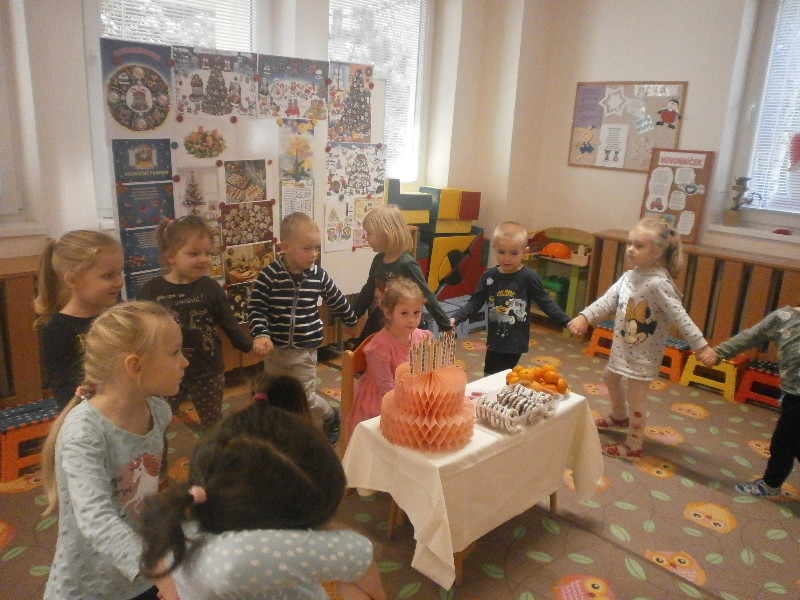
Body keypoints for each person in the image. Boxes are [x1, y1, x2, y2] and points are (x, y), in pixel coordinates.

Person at [138, 399, 387, 600]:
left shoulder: (195, 514)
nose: (321, 535)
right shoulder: (226, 562)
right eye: (314, 531)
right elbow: (357, 553)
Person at [41, 301, 187, 600]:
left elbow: (148, 489)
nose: (184, 362)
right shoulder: (84, 433)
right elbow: (95, 518)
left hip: (142, 571)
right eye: (175, 353)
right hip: (91, 586)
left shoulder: (158, 410)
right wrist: (158, 572)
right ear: (135, 366)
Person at [567, 217, 717, 460]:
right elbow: (607, 301)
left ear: (656, 252)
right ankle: (619, 417)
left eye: (638, 246)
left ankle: (634, 444)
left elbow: (680, 317)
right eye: (629, 244)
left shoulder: (659, 284)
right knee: (609, 377)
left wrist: (701, 346)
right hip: (623, 348)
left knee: (636, 397)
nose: (630, 249)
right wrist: (585, 317)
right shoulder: (629, 277)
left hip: (644, 355)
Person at [139, 216, 269, 428]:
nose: (204, 259)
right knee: (158, 422)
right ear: (171, 256)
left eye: (208, 253)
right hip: (166, 370)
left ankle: (214, 449)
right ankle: (157, 451)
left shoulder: (210, 288)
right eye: (194, 253)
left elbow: (229, 324)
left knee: (213, 421)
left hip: (208, 371)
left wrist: (250, 346)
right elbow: (140, 331)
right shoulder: (152, 291)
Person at [247, 212, 358, 444]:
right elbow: (256, 308)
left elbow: (336, 299)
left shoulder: (318, 275)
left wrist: (350, 321)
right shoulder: (269, 275)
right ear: (286, 247)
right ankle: (281, 429)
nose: (314, 254)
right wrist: (261, 334)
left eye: (316, 248)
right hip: (274, 350)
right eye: (307, 248)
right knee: (274, 393)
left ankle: (330, 415)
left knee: (304, 398)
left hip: (304, 351)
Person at [450, 221, 571, 376]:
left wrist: (566, 321)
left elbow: (545, 302)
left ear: (524, 252)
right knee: (489, 374)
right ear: (494, 248)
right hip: (495, 339)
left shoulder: (528, 276)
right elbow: (475, 301)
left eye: (514, 253)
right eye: (502, 252)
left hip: (515, 341)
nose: (507, 258)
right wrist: (456, 318)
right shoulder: (489, 276)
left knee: (503, 376)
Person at [713, 306, 800, 497]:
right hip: (792, 394)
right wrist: (719, 353)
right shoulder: (785, 316)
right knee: (793, 441)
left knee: (784, 442)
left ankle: (770, 484)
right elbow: (752, 336)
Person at [34, 230, 124, 410]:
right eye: (108, 276)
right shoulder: (57, 329)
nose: (119, 282)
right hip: (91, 414)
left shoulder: (119, 315)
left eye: (120, 273)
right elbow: (65, 392)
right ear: (73, 280)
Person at [352, 203, 452, 343]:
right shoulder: (378, 260)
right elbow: (368, 290)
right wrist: (352, 317)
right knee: (364, 351)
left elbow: (426, 295)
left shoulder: (407, 264)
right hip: (379, 320)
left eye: (369, 233)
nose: (366, 238)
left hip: (401, 324)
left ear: (385, 233)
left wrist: (445, 325)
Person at [348, 277, 432, 434]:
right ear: (388, 313)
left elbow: (426, 371)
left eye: (417, 312)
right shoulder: (380, 347)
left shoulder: (422, 337)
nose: (412, 320)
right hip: (382, 402)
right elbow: (386, 387)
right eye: (404, 313)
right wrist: (414, 403)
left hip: (410, 394)